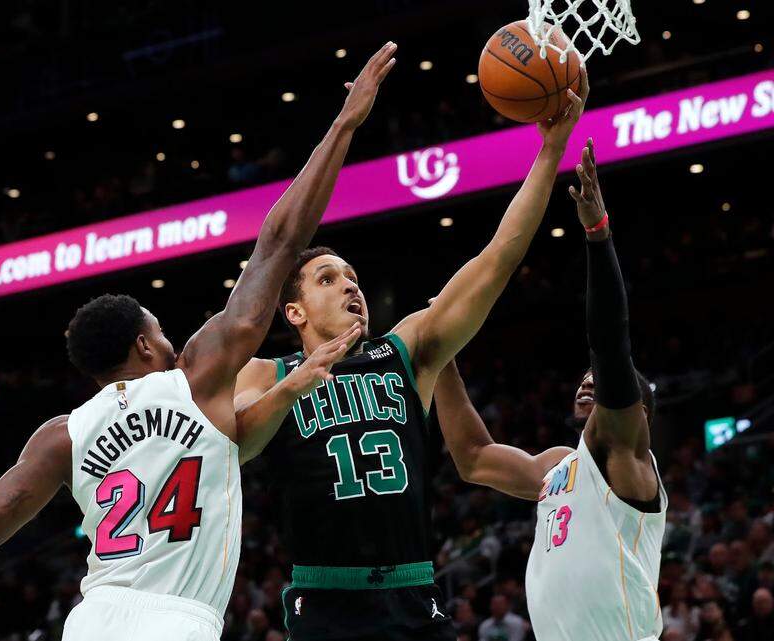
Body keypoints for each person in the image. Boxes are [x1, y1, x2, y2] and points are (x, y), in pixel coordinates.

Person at [0, 43, 399, 641]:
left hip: (91, 618)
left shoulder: (60, 436)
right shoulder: (197, 378)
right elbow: (279, 243)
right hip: (176, 623)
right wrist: (344, 123)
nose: (176, 343)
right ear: (147, 348)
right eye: (163, 331)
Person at [231, 68, 589, 640]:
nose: (351, 286)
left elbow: (496, 260)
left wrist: (550, 150)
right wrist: (293, 388)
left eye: (352, 277)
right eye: (328, 279)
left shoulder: (405, 353)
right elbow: (239, 444)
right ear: (294, 312)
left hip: (413, 595)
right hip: (325, 603)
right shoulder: (267, 372)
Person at [433, 138, 667, 641]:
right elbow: (473, 457)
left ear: (637, 412)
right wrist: (441, 359)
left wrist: (597, 234)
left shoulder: (628, 458)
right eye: (583, 379)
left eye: (598, 382)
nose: (587, 382)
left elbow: (609, 342)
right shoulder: (559, 465)